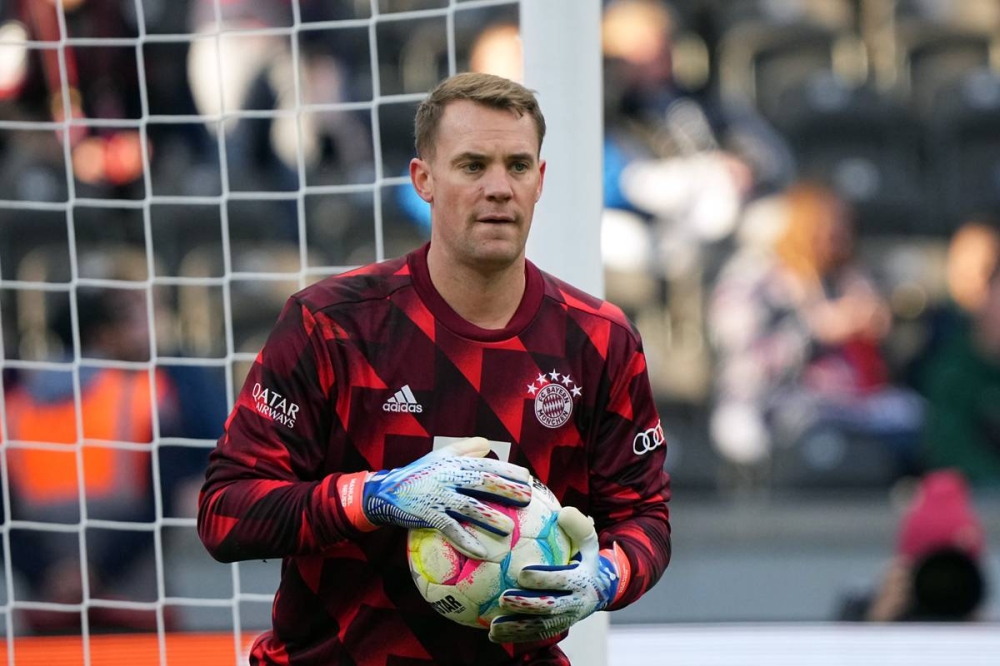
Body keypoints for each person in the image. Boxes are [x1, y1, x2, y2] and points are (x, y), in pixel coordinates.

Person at [197, 72, 672, 665]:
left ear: (540, 180)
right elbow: (225, 511)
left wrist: (603, 577)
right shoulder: (331, 324)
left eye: (517, 166)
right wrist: (374, 497)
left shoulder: (600, 339)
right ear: (423, 179)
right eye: (472, 166)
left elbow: (644, 517)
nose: (499, 188)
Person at [1, 286, 222, 632]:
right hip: (134, 601)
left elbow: (5, 515)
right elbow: (163, 499)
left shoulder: (13, 406)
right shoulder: (145, 393)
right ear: (104, 334)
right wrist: (94, 574)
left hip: (47, 605)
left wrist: (49, 575)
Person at [707, 181, 924, 478]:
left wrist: (879, 329)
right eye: (822, 226)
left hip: (847, 405)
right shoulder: (751, 279)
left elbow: (881, 371)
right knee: (746, 429)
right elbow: (743, 365)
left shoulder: (852, 278)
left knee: (912, 415)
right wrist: (814, 333)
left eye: (842, 225)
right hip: (773, 406)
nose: (835, 236)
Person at [836, 468, 989, 622]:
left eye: (953, 577)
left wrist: (975, 623)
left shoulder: (981, 622)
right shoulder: (859, 610)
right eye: (930, 570)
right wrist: (878, 617)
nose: (941, 585)